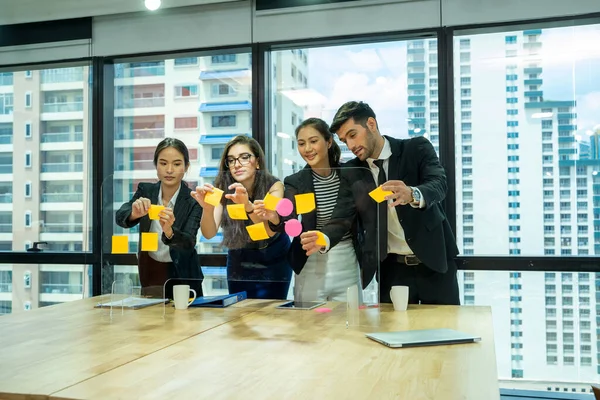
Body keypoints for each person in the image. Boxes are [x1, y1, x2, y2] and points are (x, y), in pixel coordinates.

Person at [301, 101, 460, 305]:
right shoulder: (353, 171)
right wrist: (325, 237)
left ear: (371, 124)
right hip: (392, 271)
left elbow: (439, 183)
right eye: (344, 140)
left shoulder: (415, 148)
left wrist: (413, 193)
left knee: (446, 330)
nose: (350, 146)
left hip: (435, 264)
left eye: (352, 135)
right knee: (395, 333)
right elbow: (342, 214)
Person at [273, 118, 362, 302]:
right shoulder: (295, 181)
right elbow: (288, 216)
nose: (307, 149)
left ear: (329, 142)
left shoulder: (350, 175)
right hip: (309, 260)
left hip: (346, 259)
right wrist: (274, 218)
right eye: (301, 143)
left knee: (350, 324)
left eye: (313, 141)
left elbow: (347, 217)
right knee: (310, 325)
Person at [191, 135, 292, 299]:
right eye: (231, 160)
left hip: (273, 258)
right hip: (239, 260)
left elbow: (269, 231)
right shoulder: (222, 188)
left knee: (273, 316)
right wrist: (207, 209)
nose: (237, 164)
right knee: (239, 315)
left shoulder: (274, 186)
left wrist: (248, 207)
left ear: (257, 161)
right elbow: (208, 233)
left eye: (244, 157)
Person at [116, 138, 204, 298]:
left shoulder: (193, 200)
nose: (169, 170)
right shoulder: (145, 190)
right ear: (156, 165)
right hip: (151, 272)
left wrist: (169, 231)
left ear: (186, 167)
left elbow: (189, 242)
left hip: (183, 276)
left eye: (177, 164)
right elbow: (120, 216)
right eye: (163, 163)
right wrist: (135, 213)